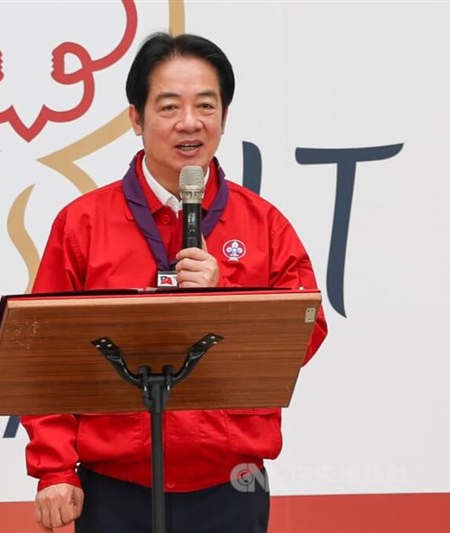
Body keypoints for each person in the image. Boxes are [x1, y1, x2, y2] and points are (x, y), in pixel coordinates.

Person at [21, 32, 328, 533]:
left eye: (206, 105)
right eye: (169, 106)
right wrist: (54, 468)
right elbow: (43, 353)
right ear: (136, 119)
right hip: (115, 484)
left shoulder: (264, 224)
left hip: (231, 483)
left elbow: (304, 333)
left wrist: (223, 294)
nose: (190, 123)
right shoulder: (84, 224)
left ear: (224, 118)